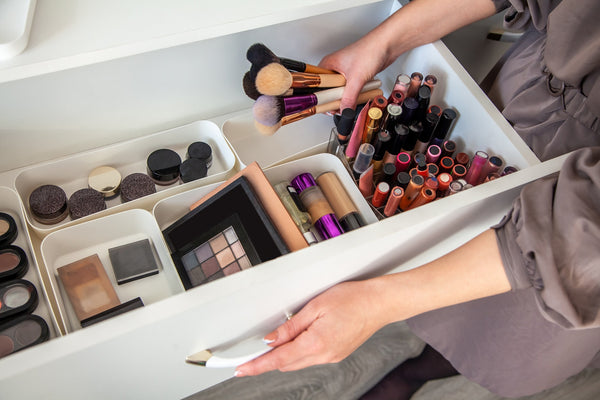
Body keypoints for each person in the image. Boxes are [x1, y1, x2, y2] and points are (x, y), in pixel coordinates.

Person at [234, 0, 600, 398]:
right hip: (522, 97)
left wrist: (377, 304)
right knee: (435, 274)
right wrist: (382, 44)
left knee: (505, 329)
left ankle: (417, 372)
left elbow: (582, 244)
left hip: (574, 247)